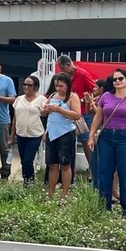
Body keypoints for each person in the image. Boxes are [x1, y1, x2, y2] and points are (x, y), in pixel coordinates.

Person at [87, 69, 126, 217]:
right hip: (106, 137)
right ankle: (104, 206)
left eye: (120, 78)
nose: (117, 81)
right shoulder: (106, 96)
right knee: (104, 173)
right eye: (114, 79)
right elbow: (98, 117)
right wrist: (91, 136)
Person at [58, 55, 97, 180]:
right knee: (67, 140)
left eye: (63, 68)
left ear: (68, 65)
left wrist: (86, 97)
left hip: (83, 112)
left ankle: (93, 169)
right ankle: (69, 170)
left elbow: (94, 89)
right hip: (67, 112)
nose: (62, 71)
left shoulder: (82, 73)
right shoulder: (65, 77)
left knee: (86, 141)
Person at [43, 72, 82, 201]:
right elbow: (43, 114)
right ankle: (50, 193)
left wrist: (59, 109)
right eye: (56, 86)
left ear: (67, 85)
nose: (58, 88)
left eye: (61, 86)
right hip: (51, 133)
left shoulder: (72, 97)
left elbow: (77, 115)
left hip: (65, 134)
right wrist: (46, 109)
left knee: (65, 165)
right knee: (52, 165)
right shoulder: (53, 95)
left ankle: (65, 195)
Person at [9, 76, 47, 183]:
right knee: (23, 161)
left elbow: (45, 117)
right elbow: (15, 118)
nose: (26, 87)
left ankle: (30, 183)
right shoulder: (19, 99)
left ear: (35, 87)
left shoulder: (42, 100)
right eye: (24, 84)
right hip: (21, 134)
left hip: (35, 135)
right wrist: (12, 137)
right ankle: (27, 182)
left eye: (29, 85)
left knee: (28, 160)